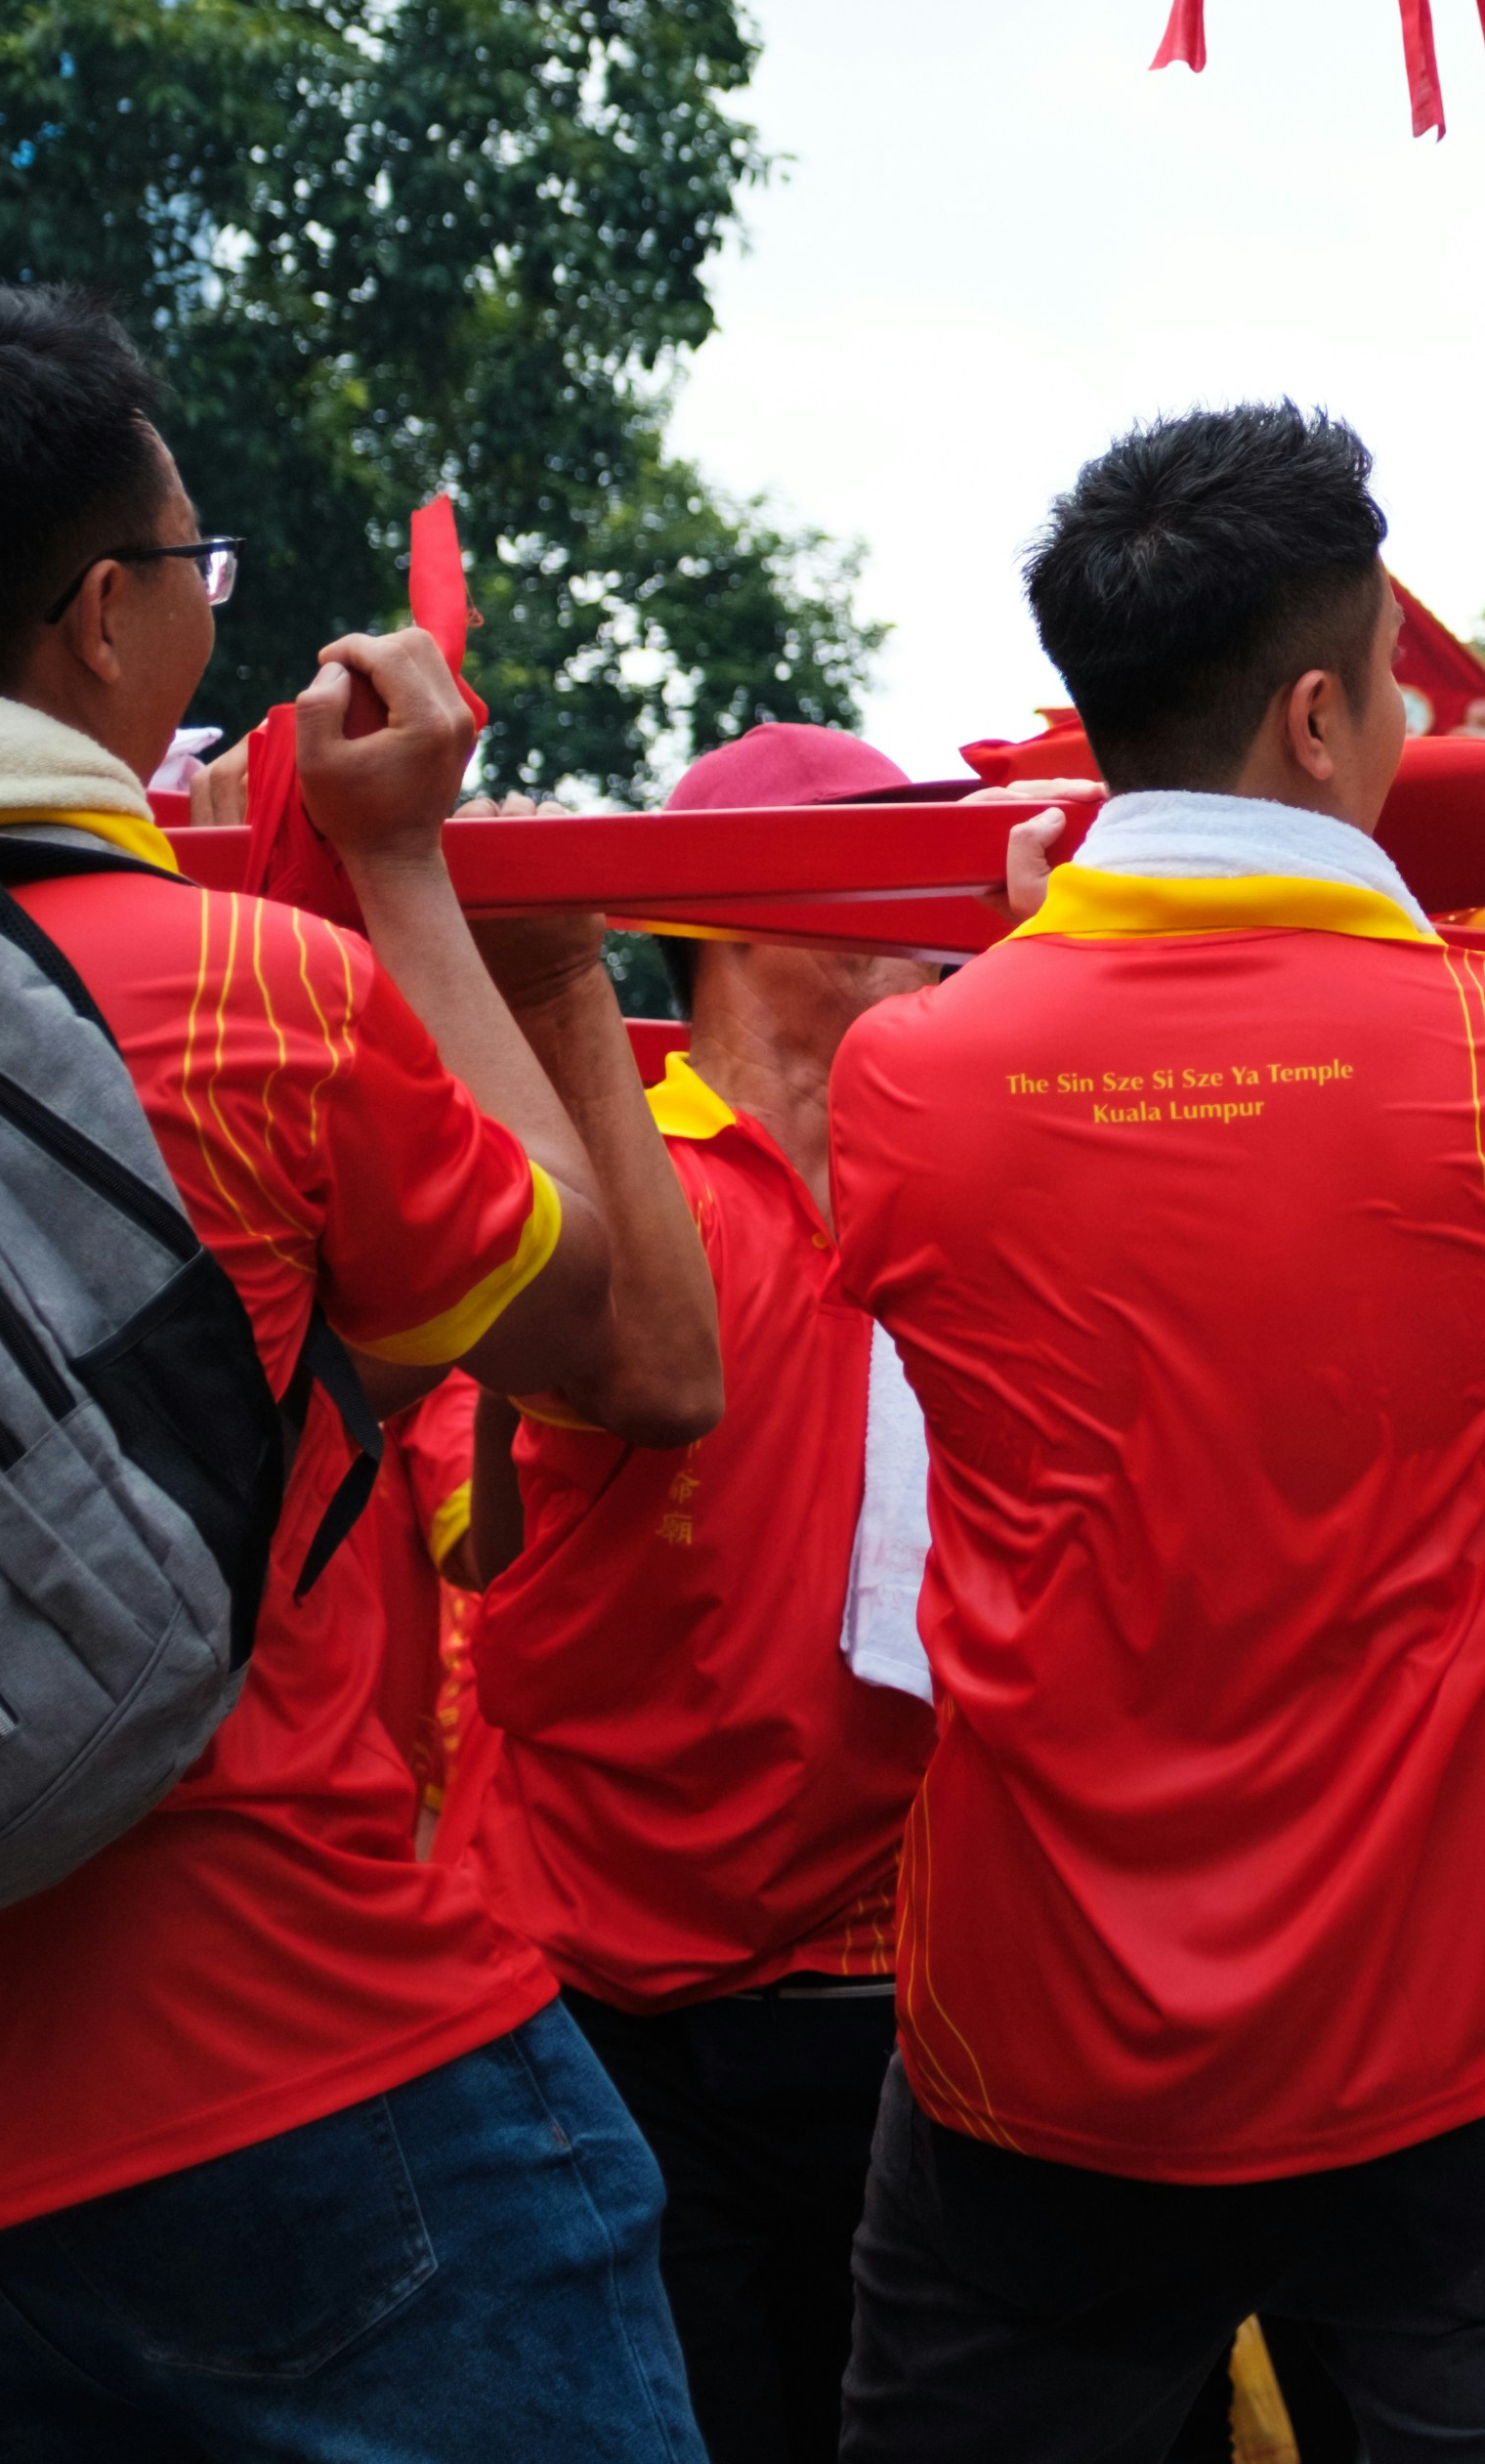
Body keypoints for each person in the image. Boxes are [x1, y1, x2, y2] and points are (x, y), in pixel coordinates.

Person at [0, 279, 729, 2462]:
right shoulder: (249, 986)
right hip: (296, 2059)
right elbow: (642, 1357)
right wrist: (420, 878)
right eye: (196, 562)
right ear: (104, 617)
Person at [825, 402, 1485, 2457]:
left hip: (1039, 2019)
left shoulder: (911, 1069)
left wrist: (1043, 952)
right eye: (1391, 684)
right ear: (1318, 715)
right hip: (1439, 2002)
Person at [440, 719, 951, 2464]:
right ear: (733, 915)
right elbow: (472, 1530)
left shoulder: (957, 1177)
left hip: (922, 1992)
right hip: (621, 2010)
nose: (933, 897)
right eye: (882, 856)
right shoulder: (600, 1170)